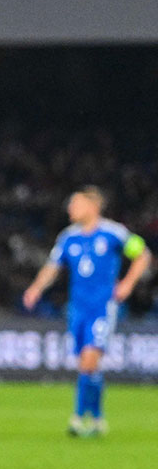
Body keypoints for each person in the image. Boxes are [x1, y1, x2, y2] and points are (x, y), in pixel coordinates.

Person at [23, 186, 150, 436]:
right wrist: (36, 288)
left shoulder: (114, 233)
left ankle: (78, 418)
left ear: (93, 207)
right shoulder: (68, 237)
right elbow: (52, 267)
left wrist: (127, 283)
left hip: (102, 307)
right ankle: (98, 419)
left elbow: (143, 254)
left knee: (89, 360)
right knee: (87, 364)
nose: (70, 209)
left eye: (76, 204)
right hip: (77, 309)